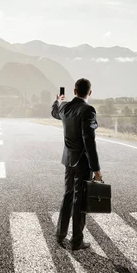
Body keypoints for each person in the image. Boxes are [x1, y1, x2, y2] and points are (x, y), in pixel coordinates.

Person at [51, 78, 102, 250]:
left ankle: (60, 234)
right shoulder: (88, 110)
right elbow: (89, 141)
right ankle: (77, 241)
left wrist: (58, 100)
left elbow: (54, 112)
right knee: (79, 201)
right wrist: (96, 169)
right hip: (82, 162)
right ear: (90, 92)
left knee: (67, 196)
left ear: (74, 91)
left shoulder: (65, 107)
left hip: (68, 160)